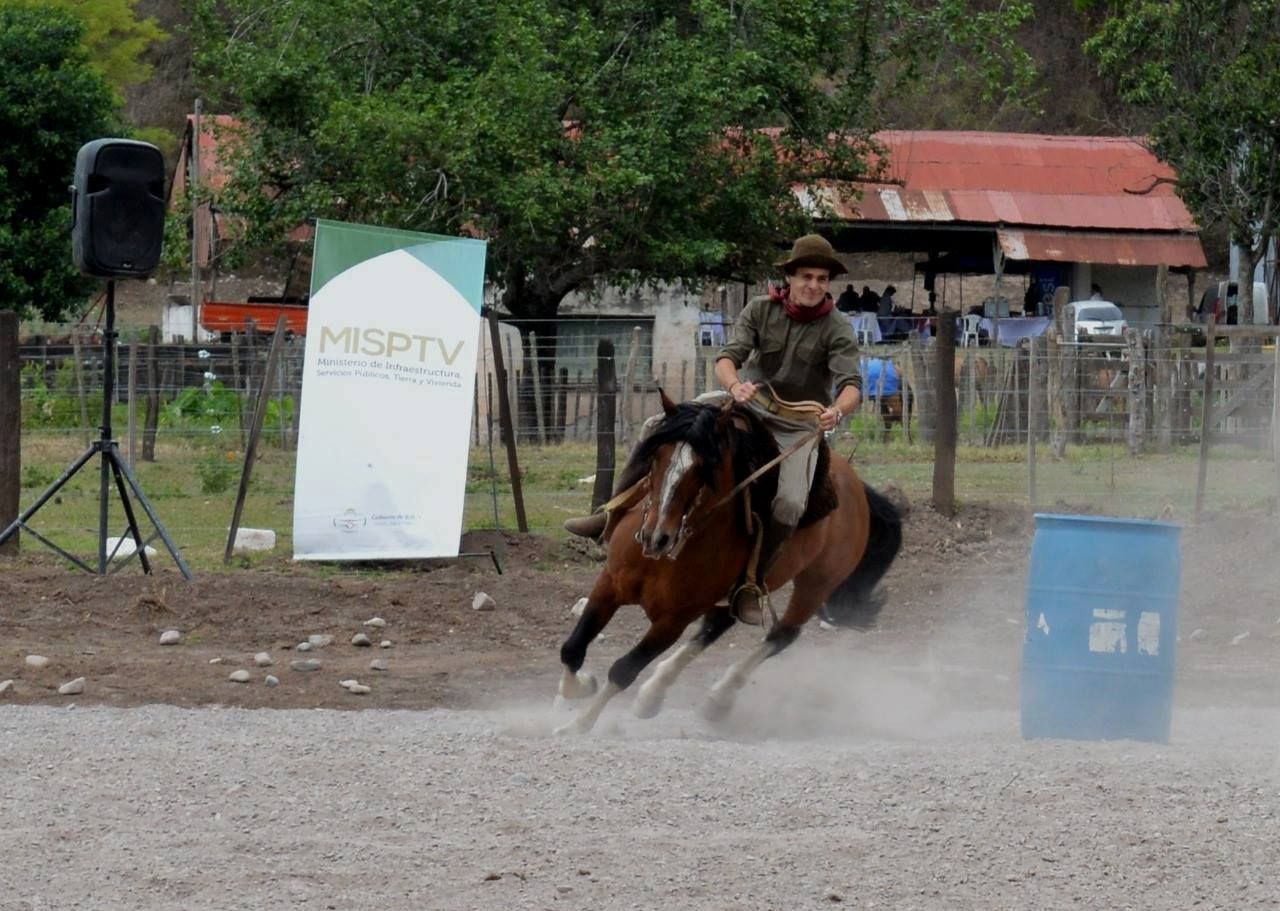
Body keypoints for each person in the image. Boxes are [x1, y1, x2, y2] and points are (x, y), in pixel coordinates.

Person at [563, 233, 863, 625]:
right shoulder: (759, 310)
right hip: (744, 403)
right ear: (790, 276)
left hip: (798, 423)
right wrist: (734, 385)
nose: (813, 285)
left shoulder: (837, 327)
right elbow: (727, 357)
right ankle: (610, 512)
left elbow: (851, 385)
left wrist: (837, 411)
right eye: (806, 276)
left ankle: (750, 583)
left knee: (790, 502)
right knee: (658, 425)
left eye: (822, 279)